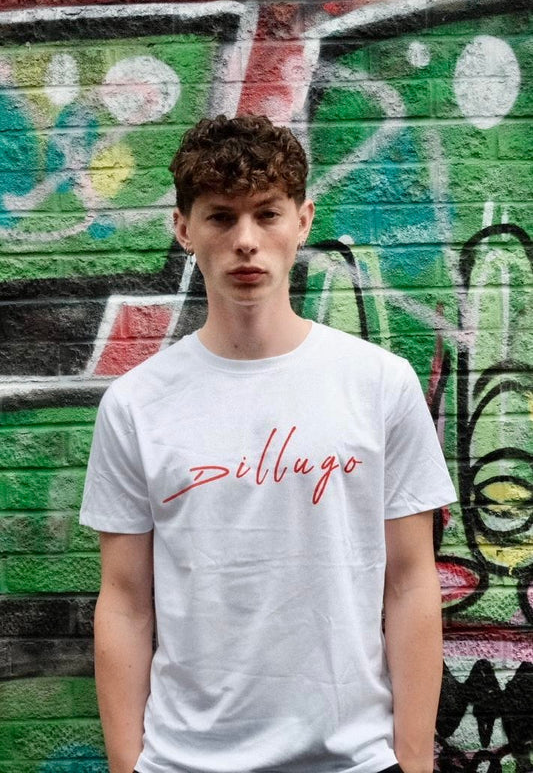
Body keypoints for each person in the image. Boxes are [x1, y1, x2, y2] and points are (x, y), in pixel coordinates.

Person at [80, 114, 458, 773]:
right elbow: (124, 601)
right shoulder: (136, 405)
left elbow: (408, 582)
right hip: (184, 760)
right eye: (221, 218)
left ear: (303, 220)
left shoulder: (378, 385)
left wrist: (413, 760)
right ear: (183, 228)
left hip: (352, 761)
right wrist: (126, 764)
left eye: (267, 215)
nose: (246, 241)